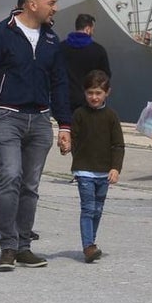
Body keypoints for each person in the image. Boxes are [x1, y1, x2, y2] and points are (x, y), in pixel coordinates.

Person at [0, 0, 71, 271]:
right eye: (51, 3)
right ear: (32, 5)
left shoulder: (51, 39)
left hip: (40, 119)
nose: (55, 8)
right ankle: (7, 246)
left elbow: (60, 84)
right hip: (6, 115)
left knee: (30, 185)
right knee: (10, 177)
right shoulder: (1, 34)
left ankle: (24, 247)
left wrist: (65, 125)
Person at [61, 70, 123, 263]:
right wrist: (66, 146)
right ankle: (88, 246)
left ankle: (91, 242)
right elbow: (74, 139)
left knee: (98, 209)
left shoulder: (111, 116)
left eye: (98, 93)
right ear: (84, 93)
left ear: (107, 93)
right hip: (84, 170)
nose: (94, 97)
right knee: (88, 208)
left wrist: (115, 168)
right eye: (90, 93)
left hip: (104, 172)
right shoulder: (79, 114)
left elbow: (118, 145)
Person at [61, 13, 112, 112]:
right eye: (93, 29)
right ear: (88, 29)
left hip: (65, 99)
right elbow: (105, 76)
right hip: (89, 101)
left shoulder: (61, 48)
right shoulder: (98, 50)